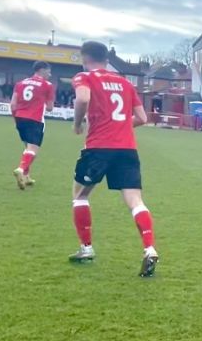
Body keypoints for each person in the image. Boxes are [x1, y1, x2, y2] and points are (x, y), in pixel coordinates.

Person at [68, 41, 159, 277]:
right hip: (127, 149)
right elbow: (142, 117)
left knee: (80, 195)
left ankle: (86, 247)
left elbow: (83, 99)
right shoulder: (125, 83)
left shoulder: (84, 77)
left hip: (98, 147)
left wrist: (78, 124)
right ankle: (149, 248)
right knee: (135, 200)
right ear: (106, 59)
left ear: (84, 58)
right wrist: (119, 126)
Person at [10, 61, 55, 190]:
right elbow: (51, 108)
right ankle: (21, 169)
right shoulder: (47, 85)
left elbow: (13, 104)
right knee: (33, 149)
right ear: (42, 70)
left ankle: (26, 176)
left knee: (27, 148)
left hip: (19, 118)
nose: (50, 74)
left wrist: (15, 120)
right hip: (35, 120)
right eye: (49, 71)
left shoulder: (20, 83)